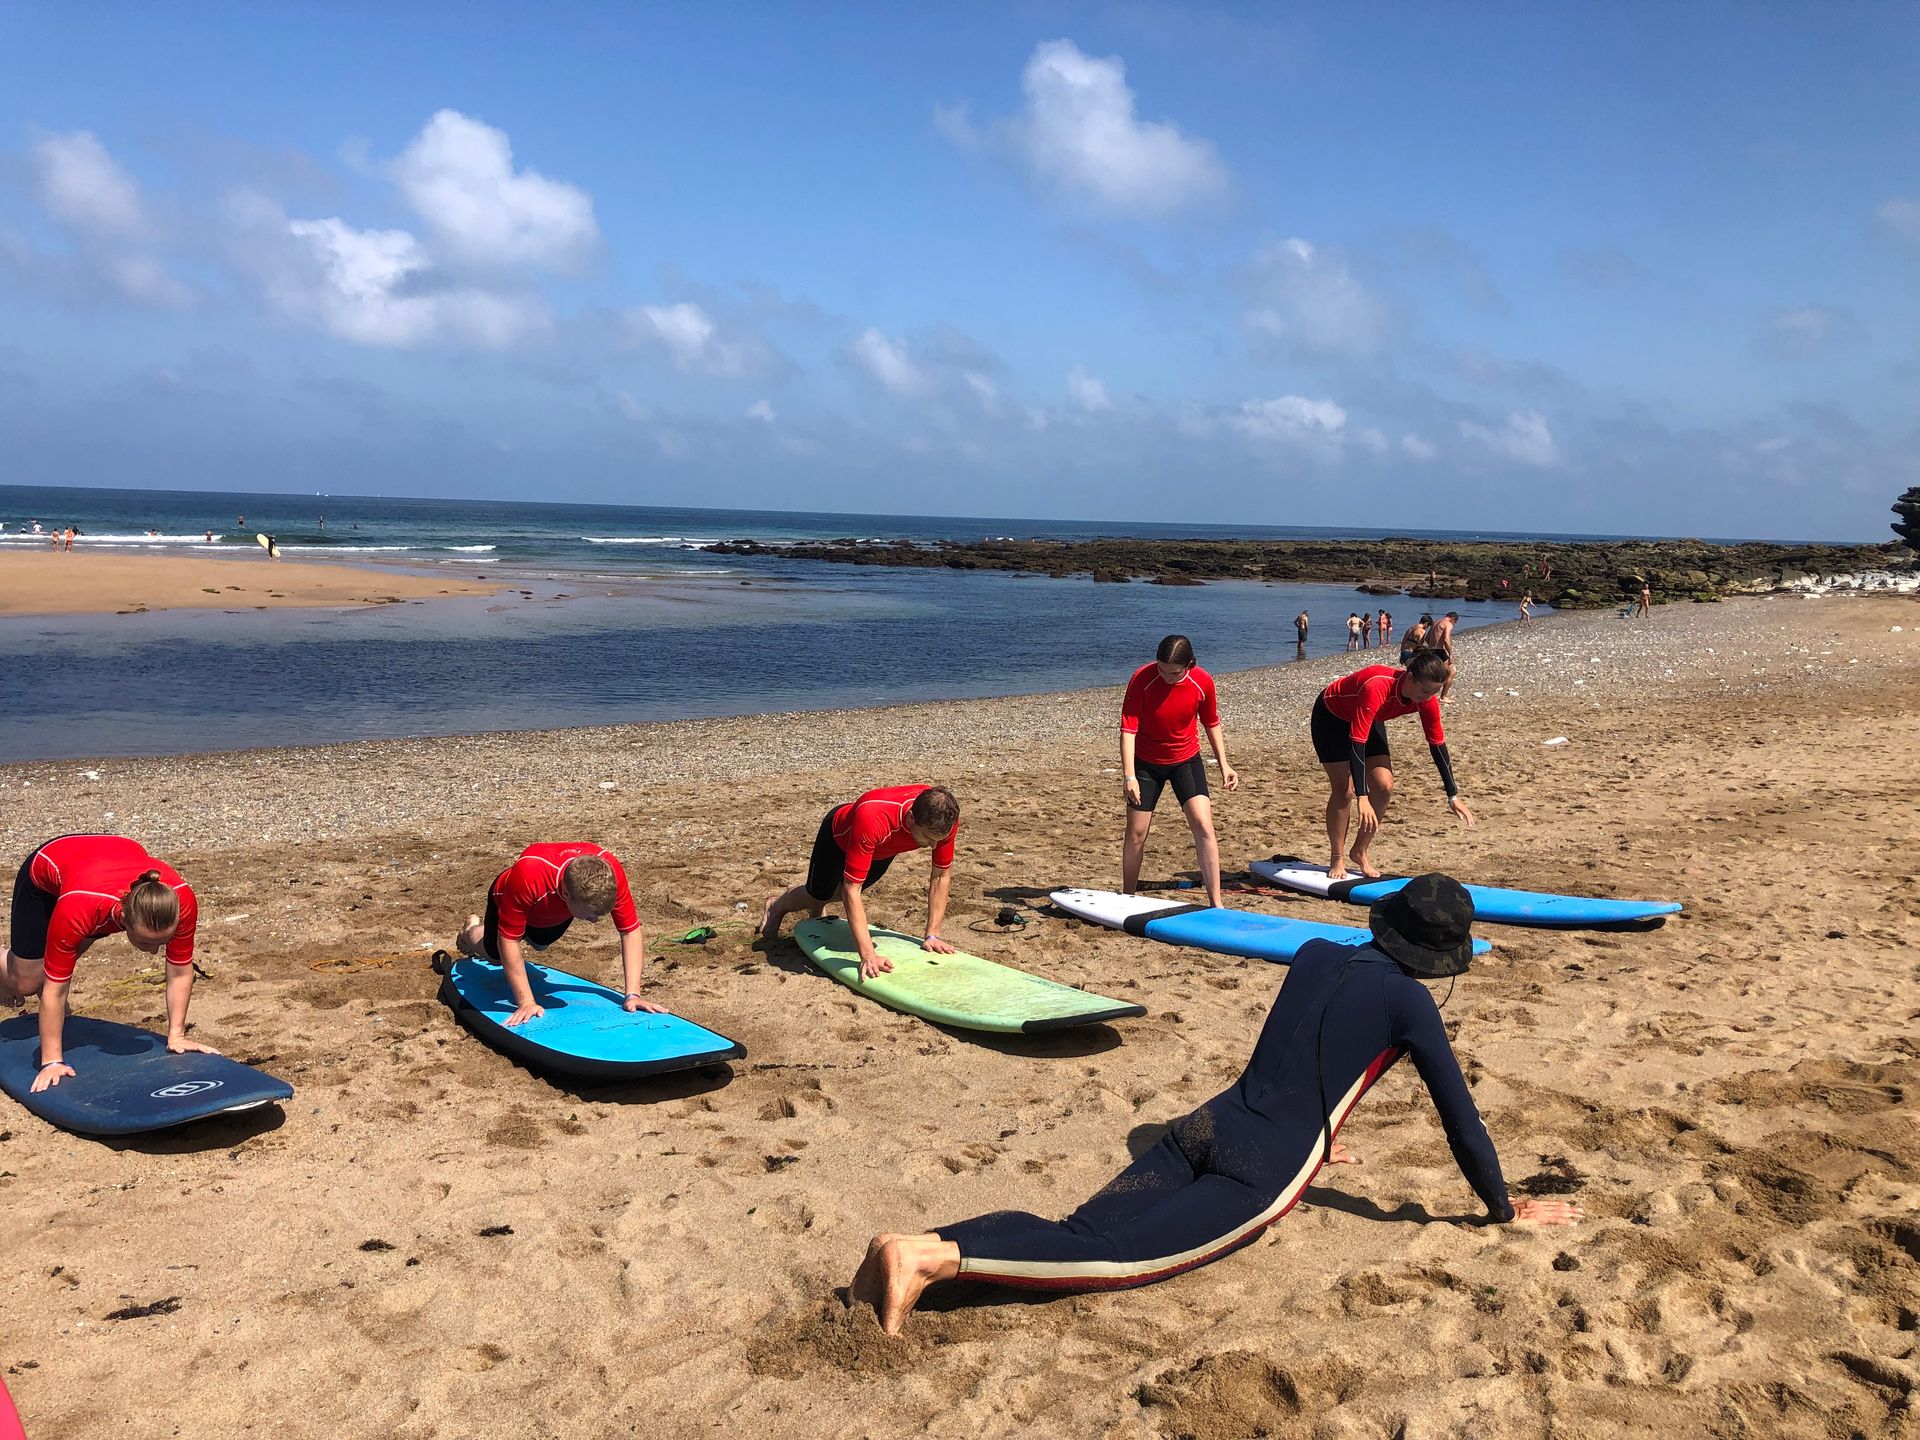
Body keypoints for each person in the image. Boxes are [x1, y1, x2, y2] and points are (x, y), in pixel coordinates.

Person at [848, 874, 1581, 1334]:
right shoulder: (1411, 1001)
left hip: (1202, 1126)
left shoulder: (1316, 955)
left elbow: (1299, 1053)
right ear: (1438, 957)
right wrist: (1504, 1208)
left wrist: (1327, 1131)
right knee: (1112, 1261)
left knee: (1075, 1227)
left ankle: (919, 1241)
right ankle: (928, 1256)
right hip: (1257, 1167)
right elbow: (1461, 1117)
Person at [1, 834, 216, 1092]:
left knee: (51, 971)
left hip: (103, 867)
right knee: (27, 982)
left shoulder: (181, 904)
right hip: (51, 866)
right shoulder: (80, 909)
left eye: (162, 942)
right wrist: (52, 1062)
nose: (154, 951)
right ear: (124, 919)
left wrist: (177, 1035)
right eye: (147, 943)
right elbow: (57, 990)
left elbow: (180, 972)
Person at [449, 842, 660, 1027]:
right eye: (592, 915)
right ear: (567, 894)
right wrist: (526, 1002)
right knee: (494, 955)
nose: (595, 921)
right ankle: (471, 930)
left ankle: (533, 933)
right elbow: (509, 940)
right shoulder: (529, 873)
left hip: (549, 912)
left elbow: (630, 930)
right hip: (507, 898)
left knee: (541, 943)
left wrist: (633, 995)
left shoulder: (610, 873)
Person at [759, 786, 960, 979]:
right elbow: (851, 890)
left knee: (837, 894)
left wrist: (932, 935)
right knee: (819, 894)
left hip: (882, 848)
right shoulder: (874, 816)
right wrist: (868, 956)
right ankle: (776, 907)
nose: (934, 845)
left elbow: (941, 876)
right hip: (839, 837)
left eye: (938, 839)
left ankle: (817, 911)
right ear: (911, 819)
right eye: (927, 838)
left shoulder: (944, 816)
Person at [1312, 651, 1475, 880]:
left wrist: (1453, 796)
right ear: (1409, 678)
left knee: (1384, 785)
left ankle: (1359, 851)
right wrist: (1362, 796)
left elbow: (1437, 745)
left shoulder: (1426, 700)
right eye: (1425, 691)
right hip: (1331, 717)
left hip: (1369, 716)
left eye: (1435, 692)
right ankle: (1336, 858)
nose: (1428, 697)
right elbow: (1356, 744)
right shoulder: (1377, 687)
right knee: (1344, 790)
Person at [1119, 635, 1238, 909]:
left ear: (1190, 665)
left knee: (1204, 825)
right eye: (1161, 669)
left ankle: (1216, 904)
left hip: (1186, 760)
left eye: (1173, 672)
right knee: (1136, 833)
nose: (1166, 676)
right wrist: (1129, 775)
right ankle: (1127, 897)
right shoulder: (1142, 678)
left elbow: (1211, 723)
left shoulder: (1202, 681)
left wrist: (1224, 764)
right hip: (1146, 763)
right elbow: (1128, 729)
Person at [1431, 611, 1459, 700]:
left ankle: (1429, 693)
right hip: (1439, 651)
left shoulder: (1436, 622)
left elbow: (1427, 638)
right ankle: (1443, 697)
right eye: (1455, 623)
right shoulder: (1448, 624)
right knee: (1451, 673)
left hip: (1430, 650)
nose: (1453, 625)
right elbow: (1446, 639)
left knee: (1435, 673)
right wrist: (1450, 653)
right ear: (1453, 619)